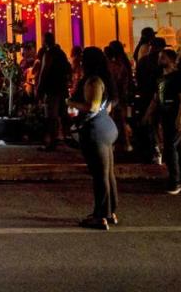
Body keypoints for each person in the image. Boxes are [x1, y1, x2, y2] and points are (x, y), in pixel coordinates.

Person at [67, 47, 119, 230]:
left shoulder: (93, 81)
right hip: (106, 126)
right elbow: (107, 106)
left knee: (99, 174)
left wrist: (70, 103)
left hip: (96, 130)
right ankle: (110, 211)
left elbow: (92, 106)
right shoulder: (105, 80)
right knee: (108, 173)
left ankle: (100, 216)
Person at [144, 49, 181, 195]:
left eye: (163, 57)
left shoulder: (178, 77)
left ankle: (175, 181)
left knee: (170, 148)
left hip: (176, 116)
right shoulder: (160, 77)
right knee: (176, 149)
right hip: (165, 116)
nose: (160, 60)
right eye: (160, 57)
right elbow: (156, 98)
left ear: (171, 60)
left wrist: (180, 118)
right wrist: (147, 114)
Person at [35, 32, 72, 151]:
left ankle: (52, 142)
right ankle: (66, 138)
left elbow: (44, 72)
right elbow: (68, 69)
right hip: (62, 87)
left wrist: (39, 88)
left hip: (52, 88)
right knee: (63, 115)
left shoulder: (49, 53)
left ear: (45, 41)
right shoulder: (61, 53)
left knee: (52, 116)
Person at [135, 36, 166, 164]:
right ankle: (161, 150)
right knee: (160, 123)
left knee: (150, 124)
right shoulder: (162, 61)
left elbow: (138, 79)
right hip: (161, 96)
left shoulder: (143, 61)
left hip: (146, 95)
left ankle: (154, 150)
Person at [104, 41, 134, 153]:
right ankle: (126, 143)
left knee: (113, 120)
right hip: (120, 96)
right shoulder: (122, 64)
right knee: (121, 120)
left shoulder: (109, 67)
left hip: (113, 96)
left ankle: (114, 144)